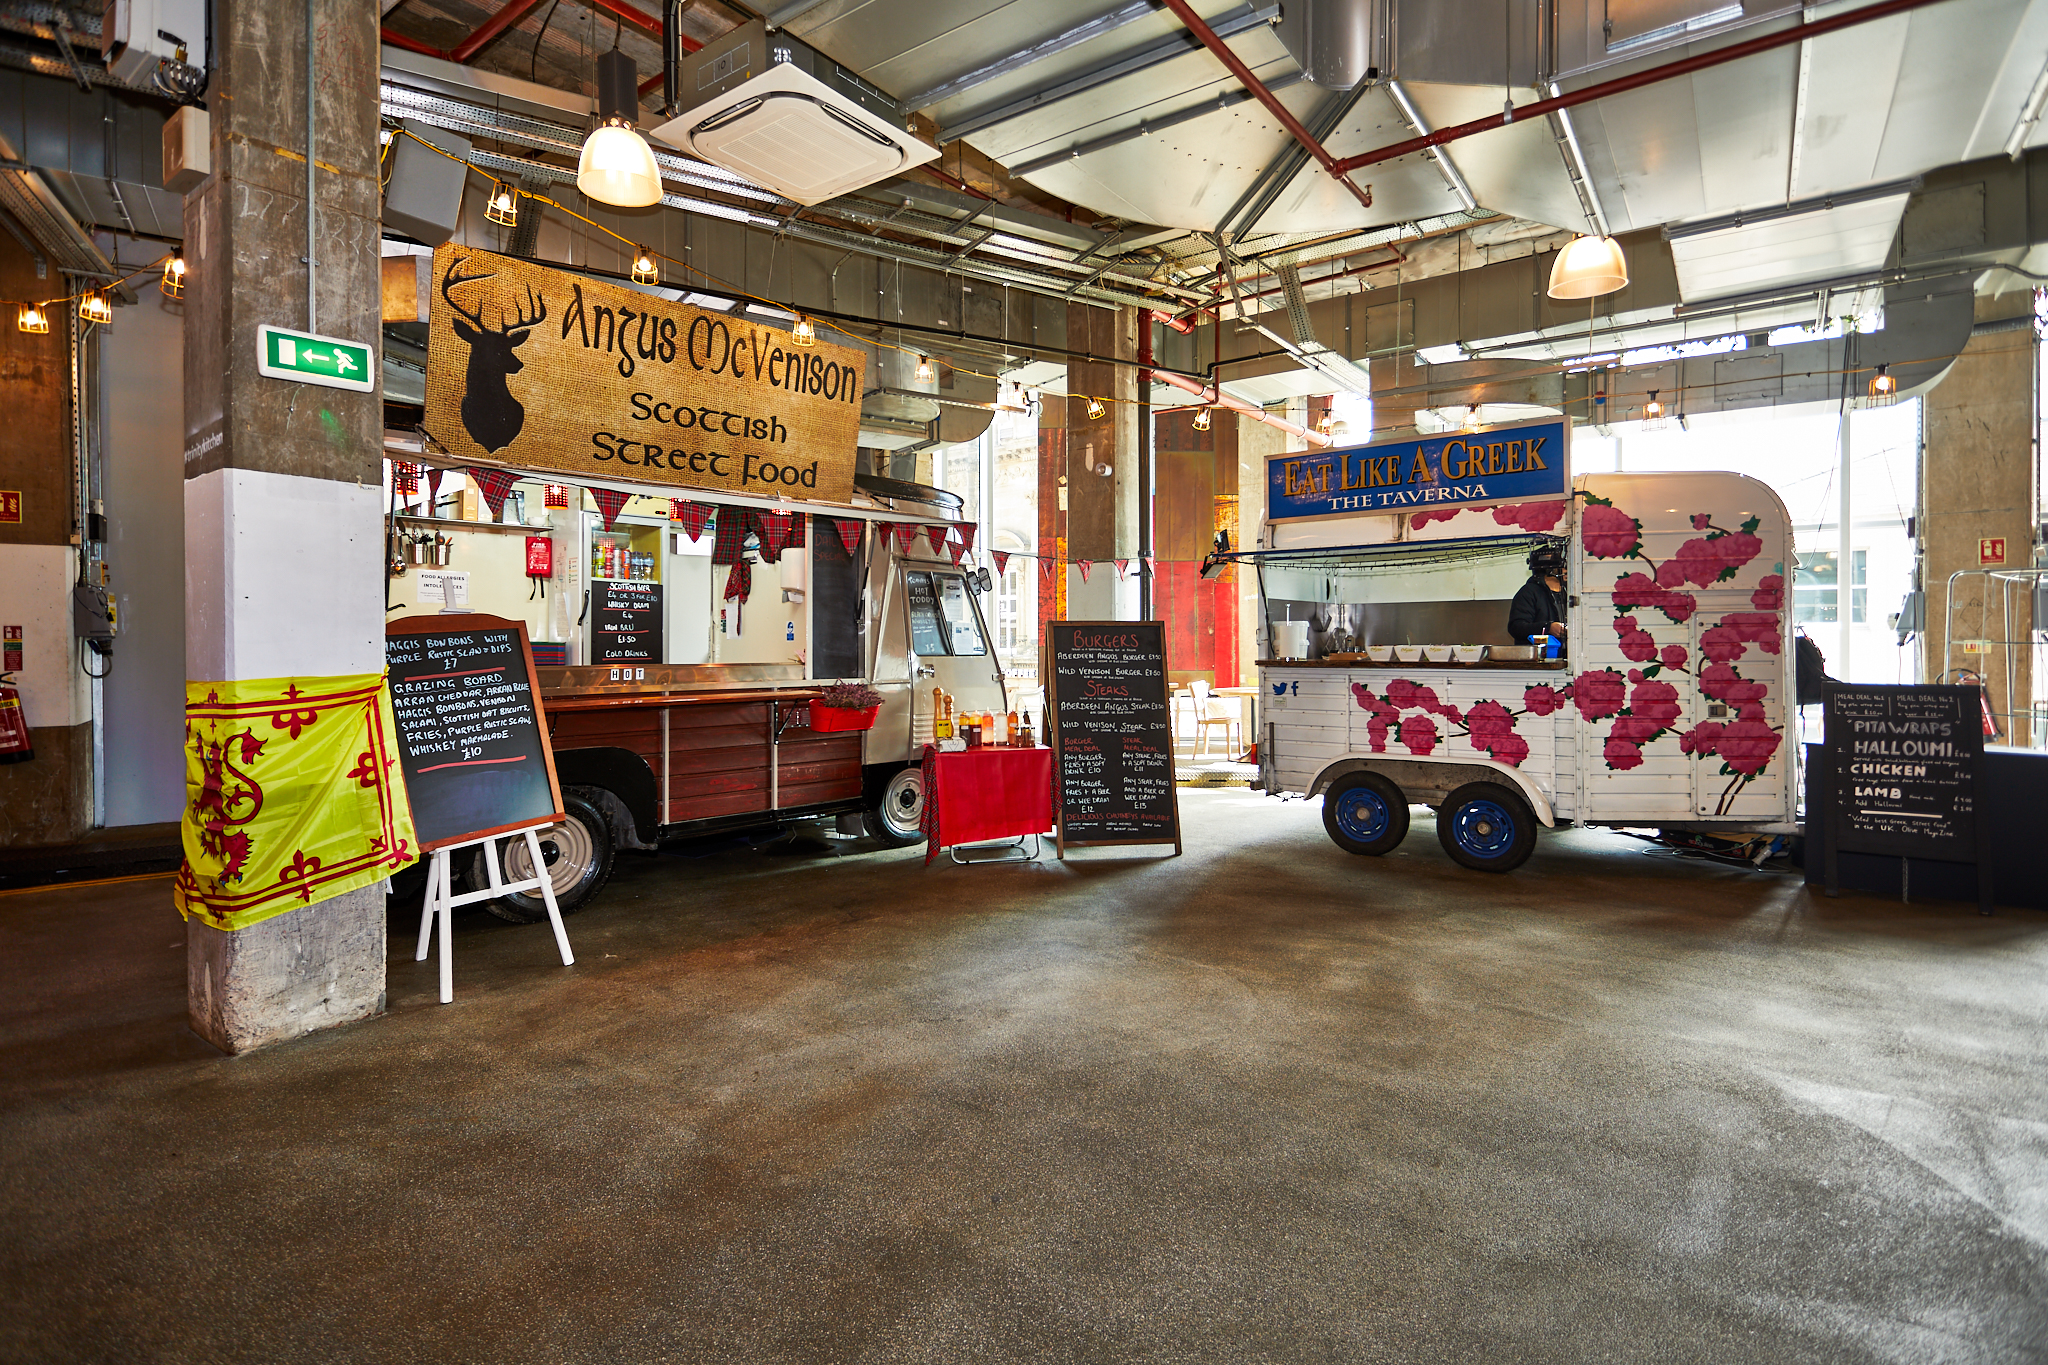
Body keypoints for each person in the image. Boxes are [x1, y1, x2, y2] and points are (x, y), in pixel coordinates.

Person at [1508, 546, 1568, 652]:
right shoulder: (1528, 592)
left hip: (1567, 657)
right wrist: (1548, 628)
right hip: (1539, 657)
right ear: (1549, 569)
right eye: (1564, 567)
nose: (1567, 570)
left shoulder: (1570, 592)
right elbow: (1516, 627)